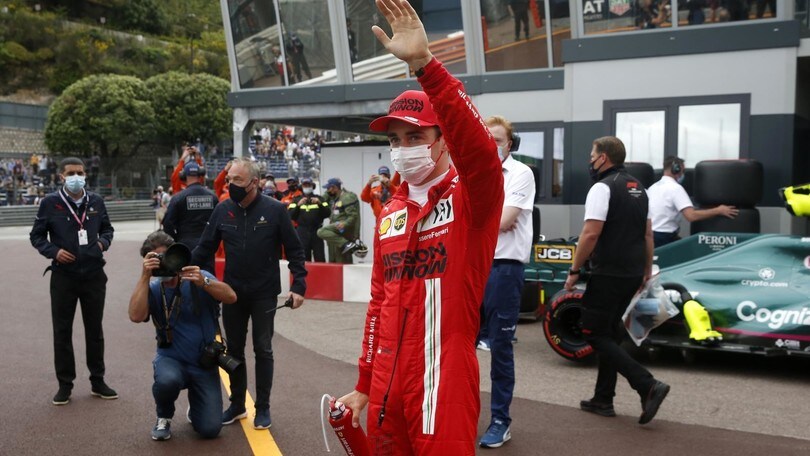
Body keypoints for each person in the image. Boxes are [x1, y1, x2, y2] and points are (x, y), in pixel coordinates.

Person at [336, 1, 504, 453]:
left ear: (444, 140)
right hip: (388, 380)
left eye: (415, 137)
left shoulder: (472, 199)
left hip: (443, 379)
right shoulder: (389, 212)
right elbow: (377, 305)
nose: (402, 148)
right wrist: (365, 383)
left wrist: (426, 66)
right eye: (394, 139)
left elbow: (482, 155)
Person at [191, 157, 307, 430]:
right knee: (234, 350)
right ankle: (237, 405)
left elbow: (295, 250)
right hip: (232, 293)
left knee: (263, 349)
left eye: (238, 181)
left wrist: (299, 285)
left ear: (254, 183)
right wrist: (179, 265)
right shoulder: (222, 210)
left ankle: (263, 408)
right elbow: (204, 248)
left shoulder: (276, 210)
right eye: (230, 180)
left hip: (264, 293)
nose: (231, 185)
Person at [563, 136, 670, 425]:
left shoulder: (602, 187)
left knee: (593, 333)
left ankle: (646, 385)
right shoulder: (640, 189)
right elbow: (648, 234)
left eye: (592, 154)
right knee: (610, 334)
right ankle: (603, 399)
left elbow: (590, 234)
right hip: (633, 270)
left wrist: (574, 270)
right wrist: (646, 271)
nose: (589, 160)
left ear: (604, 157)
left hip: (608, 271)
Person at [128, 231, 237, 441]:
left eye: (165, 256)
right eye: (155, 259)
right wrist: (144, 277)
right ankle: (164, 416)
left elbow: (231, 297)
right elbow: (135, 315)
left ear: (176, 254)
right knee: (167, 381)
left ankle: (197, 405)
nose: (163, 263)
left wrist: (204, 282)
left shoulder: (197, 277)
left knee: (209, 430)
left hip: (203, 362)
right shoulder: (151, 287)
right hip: (171, 359)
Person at [30, 157, 118, 406]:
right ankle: (65, 385)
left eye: (80, 172)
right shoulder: (50, 203)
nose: (76, 177)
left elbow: (108, 230)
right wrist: (53, 251)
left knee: (95, 330)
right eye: (71, 173)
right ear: (61, 176)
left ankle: (98, 381)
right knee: (62, 331)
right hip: (63, 276)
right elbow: (36, 236)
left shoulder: (96, 202)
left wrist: (102, 243)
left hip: (93, 275)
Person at [477, 115, 536, 448]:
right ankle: (456, 413)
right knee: (456, 344)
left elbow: (506, 220)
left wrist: (485, 219)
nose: (491, 145)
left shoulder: (521, 173)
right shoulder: (469, 175)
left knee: (500, 349)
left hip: (504, 269)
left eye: (497, 140)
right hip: (471, 267)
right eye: (486, 138)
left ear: (509, 144)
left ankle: (500, 420)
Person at [647, 156, 738, 247]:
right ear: (676, 169)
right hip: (664, 237)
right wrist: (718, 210)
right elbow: (691, 216)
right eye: (683, 171)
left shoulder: (652, 188)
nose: (683, 174)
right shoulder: (675, 188)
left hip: (649, 234)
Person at [162, 161, 219, 271]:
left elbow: (168, 223)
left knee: (186, 278)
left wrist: (176, 240)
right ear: (201, 174)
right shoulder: (213, 197)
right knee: (208, 280)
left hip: (185, 246)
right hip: (207, 246)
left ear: (183, 176)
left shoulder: (178, 198)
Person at [316, 178, 363, 263]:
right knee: (332, 263)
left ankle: (347, 244)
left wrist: (345, 224)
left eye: (328, 188)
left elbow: (353, 216)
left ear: (334, 188)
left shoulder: (347, 197)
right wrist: (326, 194)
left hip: (344, 232)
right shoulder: (334, 198)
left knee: (343, 262)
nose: (327, 191)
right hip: (335, 235)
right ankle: (345, 244)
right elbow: (323, 199)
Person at [288, 177, 330, 262]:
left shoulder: (320, 199)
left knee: (320, 258)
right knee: (303, 258)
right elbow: (290, 215)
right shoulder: (296, 200)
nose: (307, 186)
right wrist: (298, 205)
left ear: (312, 186)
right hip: (302, 231)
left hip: (317, 231)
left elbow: (328, 213)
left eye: (309, 185)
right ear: (301, 186)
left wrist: (320, 204)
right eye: (305, 185)